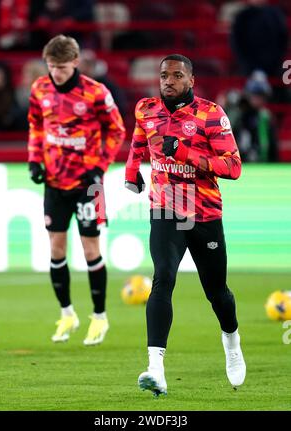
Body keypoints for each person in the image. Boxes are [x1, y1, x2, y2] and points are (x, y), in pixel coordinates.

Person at [125, 54, 246, 396]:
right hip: (165, 209)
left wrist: (184, 154)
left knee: (217, 293)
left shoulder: (211, 115)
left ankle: (232, 341)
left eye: (177, 75)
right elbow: (138, 141)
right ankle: (155, 368)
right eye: (164, 75)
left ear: (191, 80)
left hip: (204, 213)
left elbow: (234, 167)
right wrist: (131, 172)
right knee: (163, 278)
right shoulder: (145, 110)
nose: (168, 81)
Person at [28, 34, 125, 345]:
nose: (55, 72)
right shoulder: (39, 89)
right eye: (51, 66)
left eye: (61, 66)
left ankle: (99, 317)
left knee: (90, 250)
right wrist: (34, 160)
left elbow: (117, 129)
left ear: (75, 62)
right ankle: (67, 314)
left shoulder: (95, 93)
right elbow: (35, 125)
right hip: (54, 184)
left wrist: (100, 167)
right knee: (56, 249)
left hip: (88, 184)